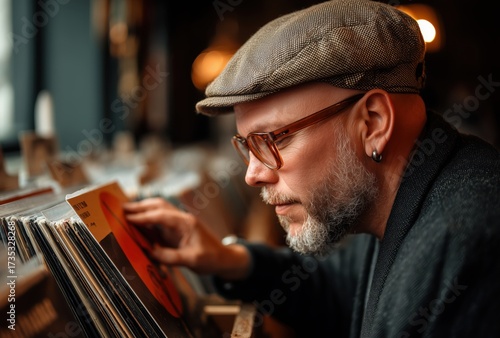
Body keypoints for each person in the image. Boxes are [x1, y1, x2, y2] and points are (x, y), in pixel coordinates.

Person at [124, 0, 500, 336]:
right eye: (247, 145)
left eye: (274, 139)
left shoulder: (470, 244)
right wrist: (229, 260)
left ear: (372, 122)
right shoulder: (394, 200)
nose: (252, 174)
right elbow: (346, 295)